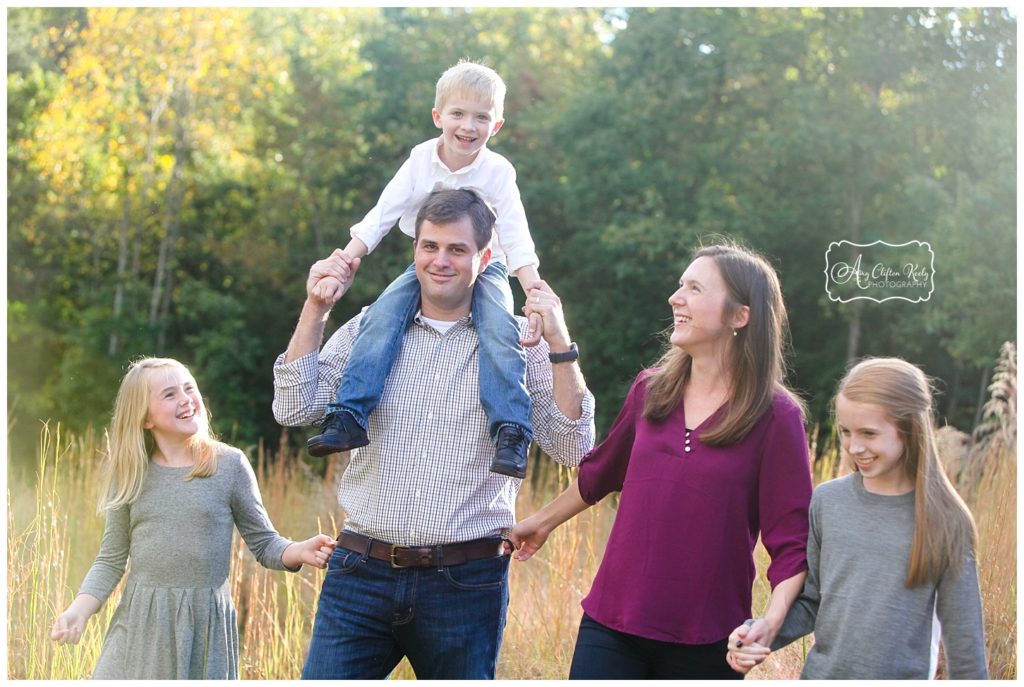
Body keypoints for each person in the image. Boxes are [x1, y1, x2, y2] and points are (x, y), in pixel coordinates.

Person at [272, 188, 595, 680]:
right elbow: (292, 407)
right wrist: (315, 309)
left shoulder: (516, 345)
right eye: (430, 246)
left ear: (484, 258)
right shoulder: (370, 331)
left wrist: (560, 341)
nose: (440, 261)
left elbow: (572, 446)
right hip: (360, 572)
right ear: (415, 249)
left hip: (466, 583)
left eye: (457, 249)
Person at [509, 243, 814, 679]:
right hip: (611, 626)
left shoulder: (776, 417)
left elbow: (791, 544)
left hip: (708, 642)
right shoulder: (650, 391)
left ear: (739, 316)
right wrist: (541, 522)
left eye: (694, 288)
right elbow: (600, 474)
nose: (675, 297)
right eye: (679, 285)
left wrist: (771, 622)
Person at [305, 60, 544, 480]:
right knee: (382, 315)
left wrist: (533, 289)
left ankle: (510, 429)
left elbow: (516, 233)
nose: (468, 126)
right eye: (458, 114)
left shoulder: (498, 171)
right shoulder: (420, 160)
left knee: (498, 328)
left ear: (497, 125)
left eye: (481, 117)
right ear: (438, 116)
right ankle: (349, 414)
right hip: (429, 261)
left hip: (486, 267)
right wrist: (345, 260)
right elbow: (383, 213)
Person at [49, 357, 335, 679]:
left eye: (189, 388)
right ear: (145, 418)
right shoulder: (130, 475)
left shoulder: (228, 465)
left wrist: (299, 550)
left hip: (204, 629)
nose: (185, 399)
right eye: (169, 395)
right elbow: (111, 559)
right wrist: (79, 610)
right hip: (140, 626)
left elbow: (264, 542)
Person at [726, 357, 988, 679]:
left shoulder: (947, 520)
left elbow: (966, 649)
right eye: (846, 432)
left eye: (869, 433)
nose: (854, 446)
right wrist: (761, 632)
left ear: (909, 429)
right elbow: (811, 602)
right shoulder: (827, 501)